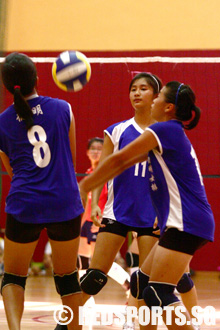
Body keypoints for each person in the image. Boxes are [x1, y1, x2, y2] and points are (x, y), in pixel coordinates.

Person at [79, 81, 215, 330]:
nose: (152, 100)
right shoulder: (168, 133)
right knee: (142, 281)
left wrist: (84, 187)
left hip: (187, 221)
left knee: (159, 294)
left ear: (168, 107)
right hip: (186, 220)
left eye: (158, 96)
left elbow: (119, 158)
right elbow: (122, 164)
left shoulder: (163, 131)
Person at [0, 52, 84, 330]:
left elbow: (12, 170)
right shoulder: (63, 108)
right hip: (64, 200)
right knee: (67, 277)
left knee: (13, 277)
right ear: (37, 78)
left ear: (6, 85)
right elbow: (69, 160)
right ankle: (75, 327)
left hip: (25, 202)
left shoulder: (2, 122)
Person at [80, 72, 162, 330]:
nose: (137, 93)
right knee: (95, 276)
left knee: (147, 282)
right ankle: (67, 322)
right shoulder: (116, 131)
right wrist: (93, 203)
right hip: (117, 211)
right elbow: (103, 171)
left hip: (152, 215)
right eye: (133, 89)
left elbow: (174, 177)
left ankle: (139, 324)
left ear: (156, 96)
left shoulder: (165, 133)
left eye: (144, 89)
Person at [78, 137, 130, 292]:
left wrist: (100, 221)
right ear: (87, 152)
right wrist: (80, 226)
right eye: (92, 148)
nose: (96, 152)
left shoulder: (108, 175)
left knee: (100, 263)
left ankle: (129, 286)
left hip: (99, 222)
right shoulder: (88, 173)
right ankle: (86, 303)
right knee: (82, 261)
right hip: (86, 223)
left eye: (100, 148)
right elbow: (87, 204)